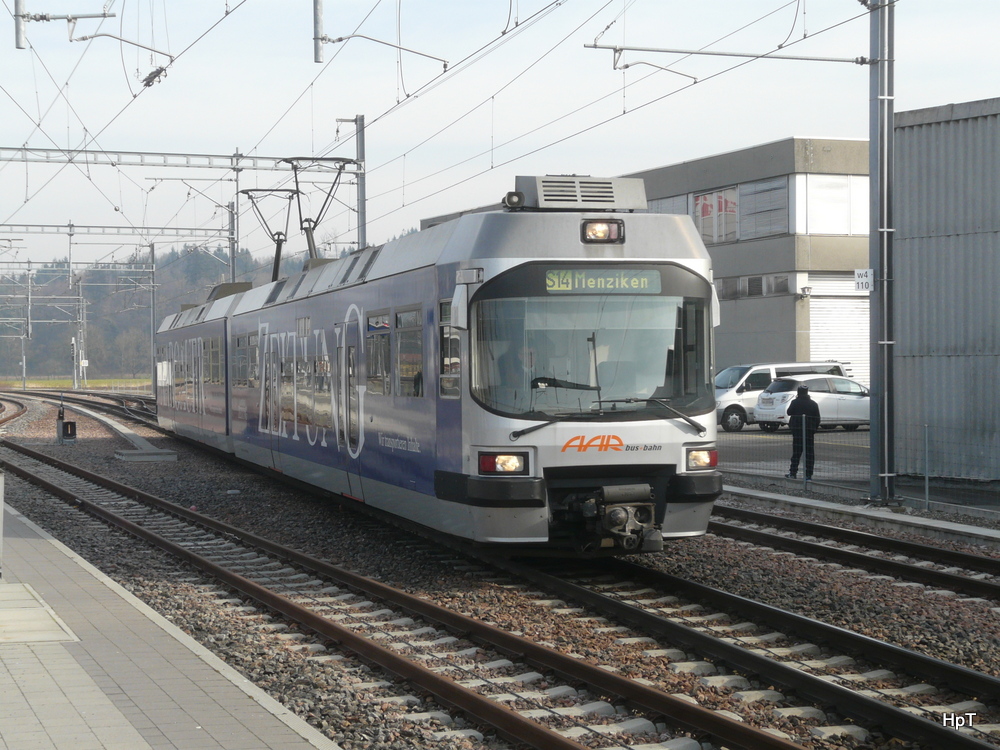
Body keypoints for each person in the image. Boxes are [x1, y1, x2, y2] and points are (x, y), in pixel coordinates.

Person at [785, 384, 821, 480]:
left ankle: (793, 473)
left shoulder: (795, 402)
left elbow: (788, 412)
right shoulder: (813, 404)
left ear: (798, 392)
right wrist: (814, 429)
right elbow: (817, 418)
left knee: (796, 453)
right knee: (809, 454)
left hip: (797, 431)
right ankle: (808, 475)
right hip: (809, 432)